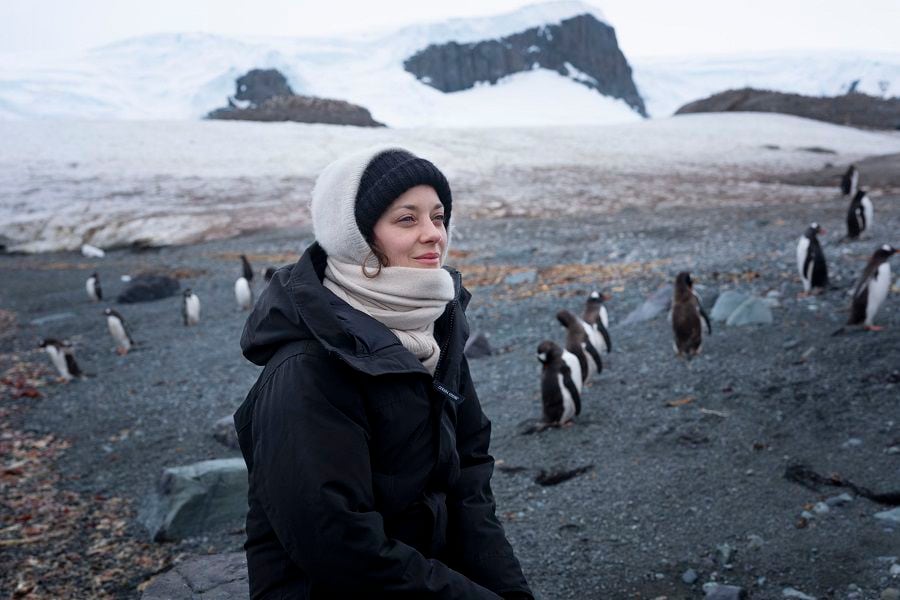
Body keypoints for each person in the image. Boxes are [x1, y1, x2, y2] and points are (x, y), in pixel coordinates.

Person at [235, 146, 534, 599]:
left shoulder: (437, 330)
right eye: (406, 219)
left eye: (438, 216)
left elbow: (468, 484)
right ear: (357, 237)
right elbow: (342, 548)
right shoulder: (308, 369)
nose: (434, 234)